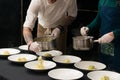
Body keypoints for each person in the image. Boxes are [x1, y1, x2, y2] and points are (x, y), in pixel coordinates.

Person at [80, 0, 120, 72]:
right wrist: (88, 28)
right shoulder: (102, 1)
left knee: (116, 72)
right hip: (105, 43)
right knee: (105, 70)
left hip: (118, 45)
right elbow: (98, 19)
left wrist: (114, 34)